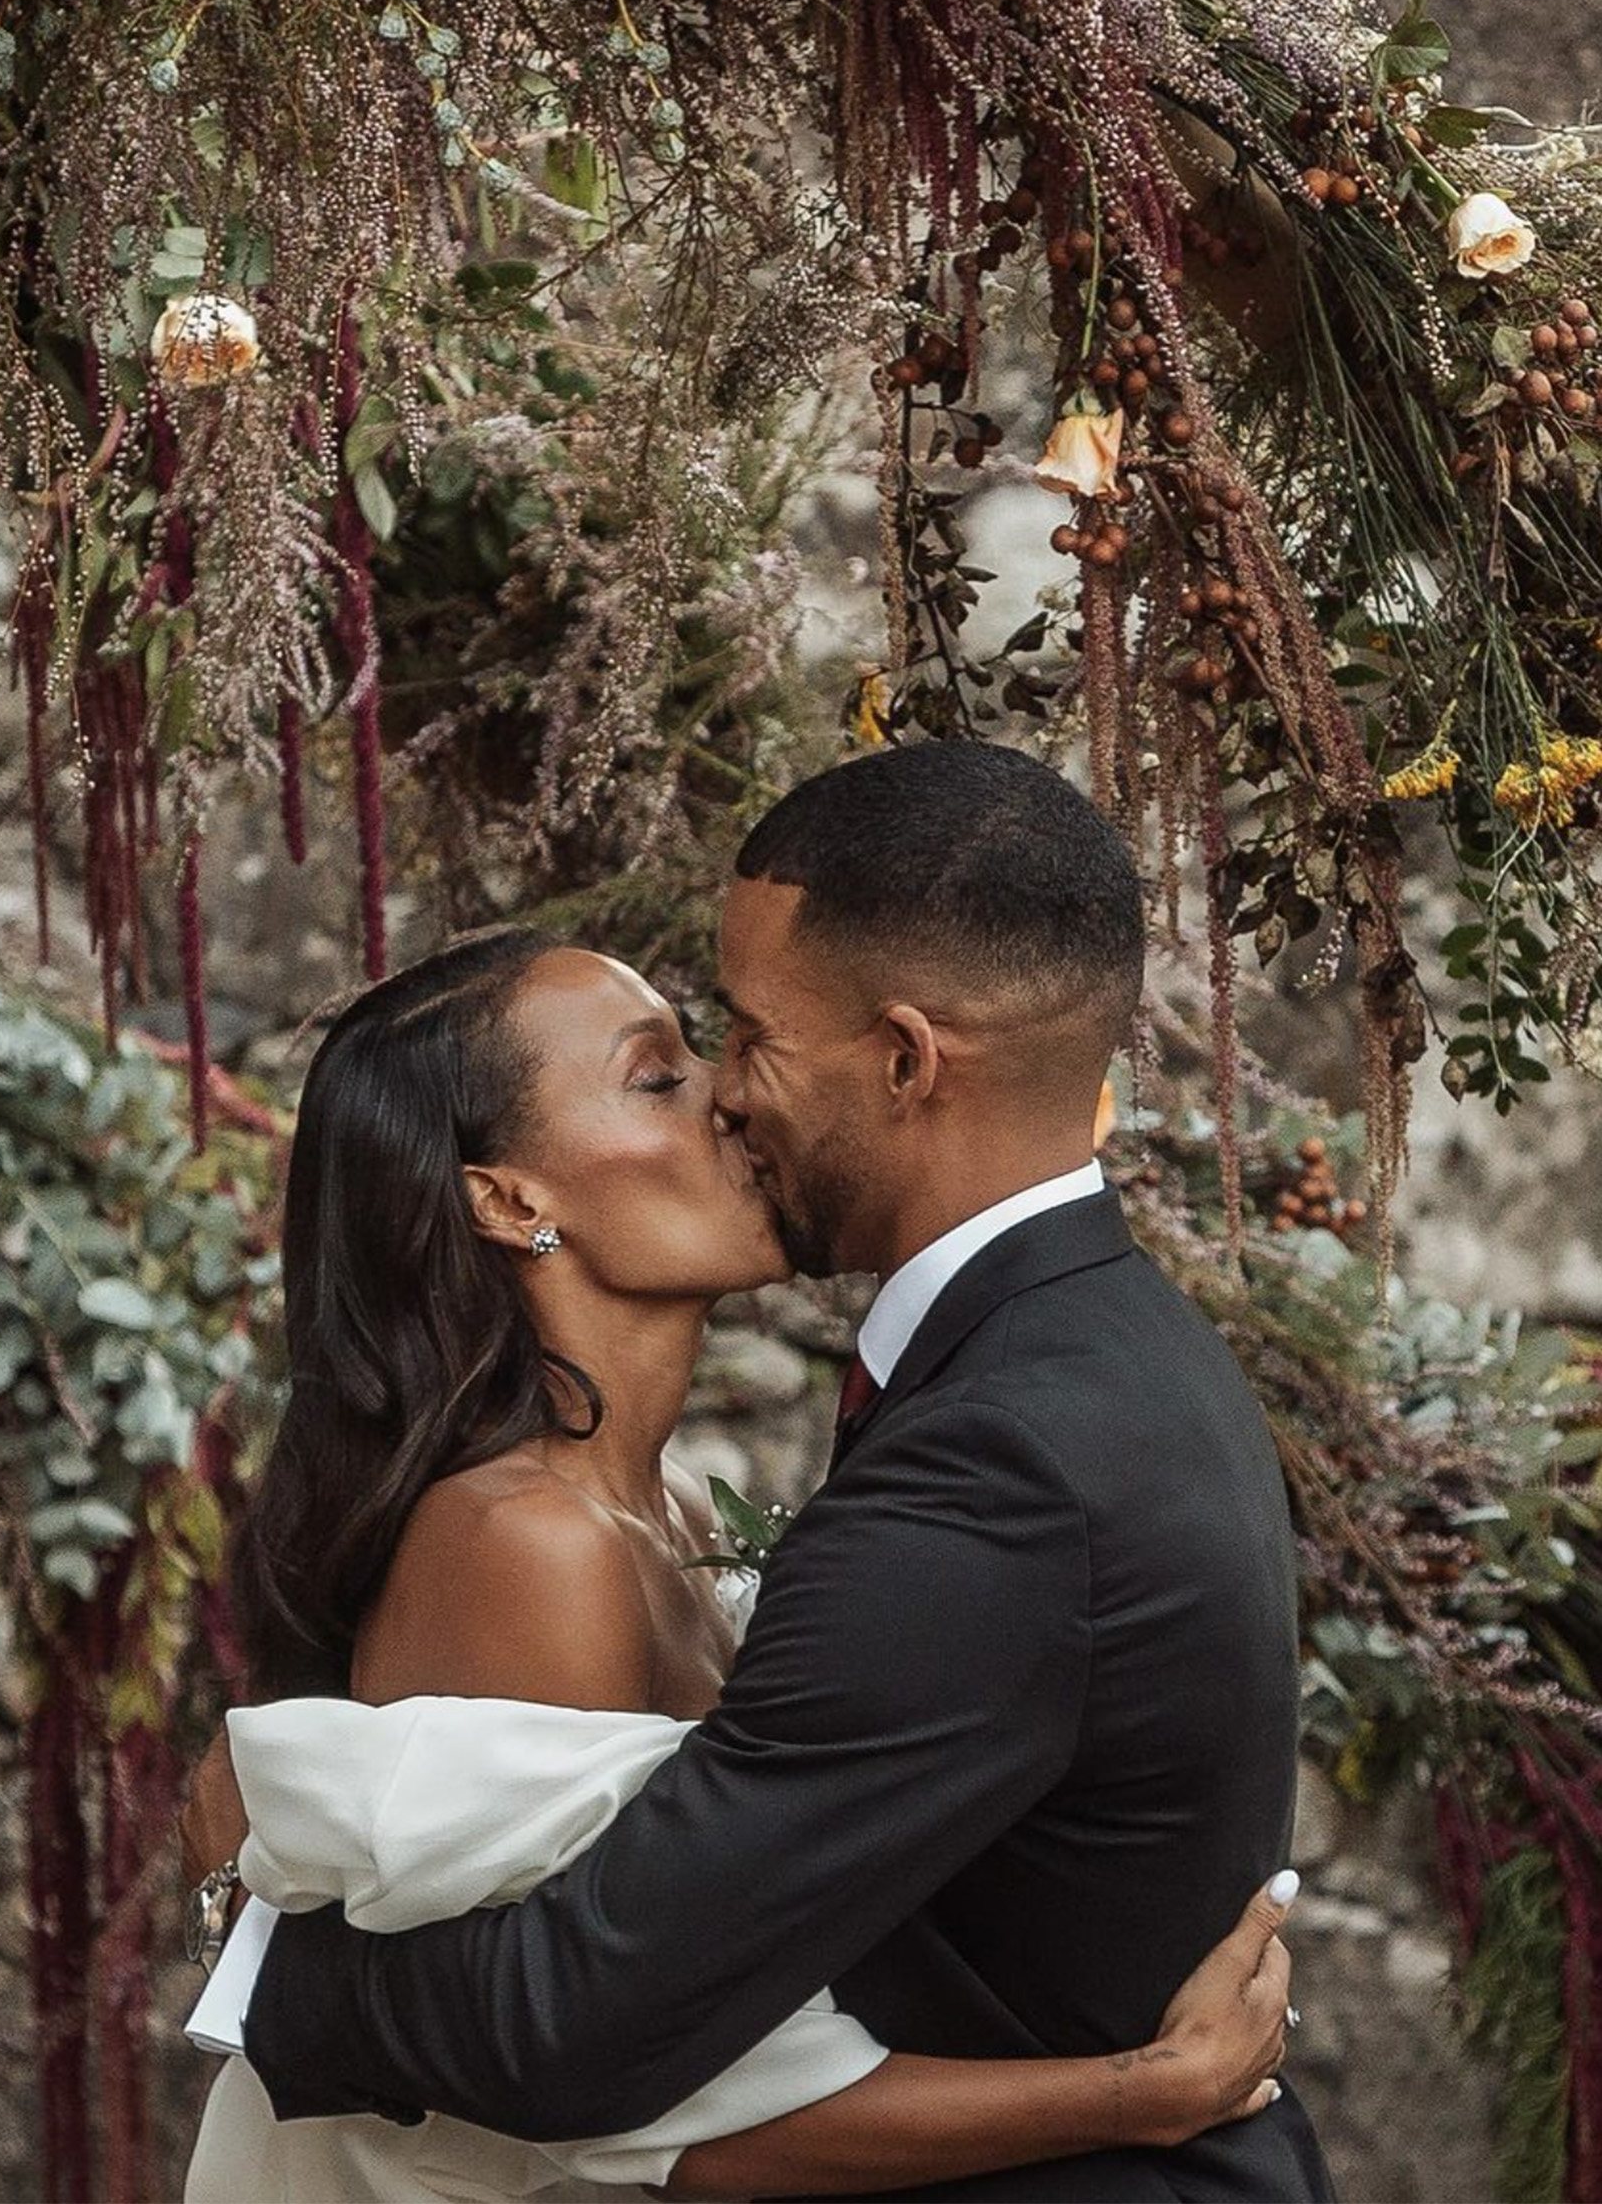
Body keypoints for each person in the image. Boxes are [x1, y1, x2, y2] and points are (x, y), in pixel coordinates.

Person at [196, 740, 1332, 2202]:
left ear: (909, 1059)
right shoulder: (529, 1542)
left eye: (724, 1045)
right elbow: (610, 2073)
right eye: (667, 1072)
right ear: (507, 1198)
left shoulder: (983, 1454)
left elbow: (598, 2029)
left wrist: (262, 1943)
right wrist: (1125, 2096)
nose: (727, 1098)